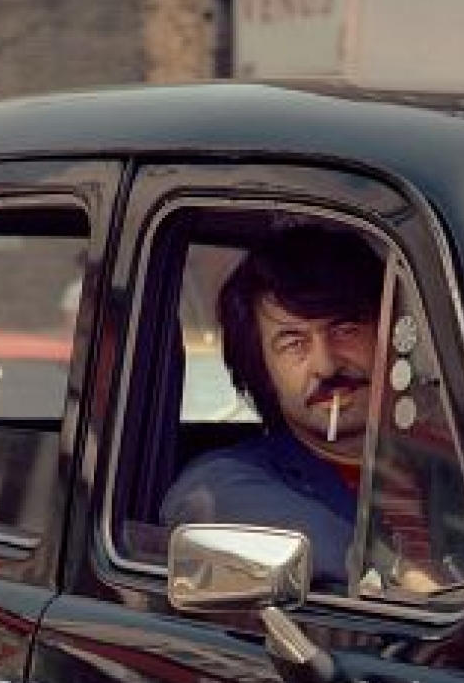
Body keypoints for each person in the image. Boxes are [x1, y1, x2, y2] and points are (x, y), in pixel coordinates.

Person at [161, 225, 385, 590]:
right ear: (262, 371)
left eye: (345, 329)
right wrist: (400, 576)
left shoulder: (458, 464)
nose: (326, 365)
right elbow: (207, 502)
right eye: (293, 343)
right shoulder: (229, 480)